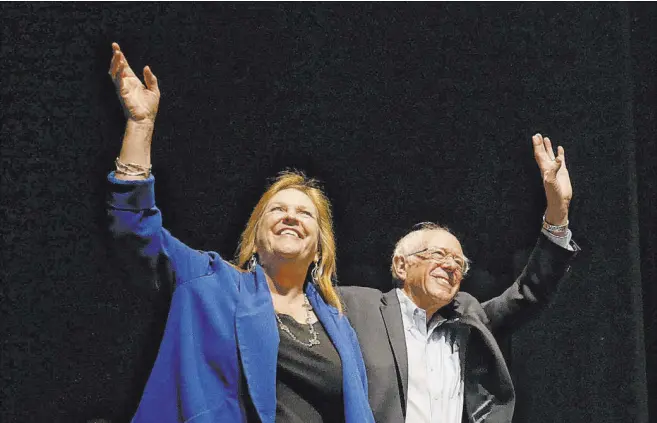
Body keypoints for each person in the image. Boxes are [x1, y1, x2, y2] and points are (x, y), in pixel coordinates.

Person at [106, 42, 374, 423]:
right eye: (277, 210)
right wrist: (140, 125)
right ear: (255, 236)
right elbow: (136, 229)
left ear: (318, 248)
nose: (290, 217)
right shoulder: (210, 281)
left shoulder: (338, 325)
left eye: (304, 213)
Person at [341, 134, 580, 423]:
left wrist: (558, 212)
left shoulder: (469, 319)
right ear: (402, 266)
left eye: (458, 262)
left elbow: (529, 292)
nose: (450, 265)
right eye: (438, 254)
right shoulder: (359, 308)